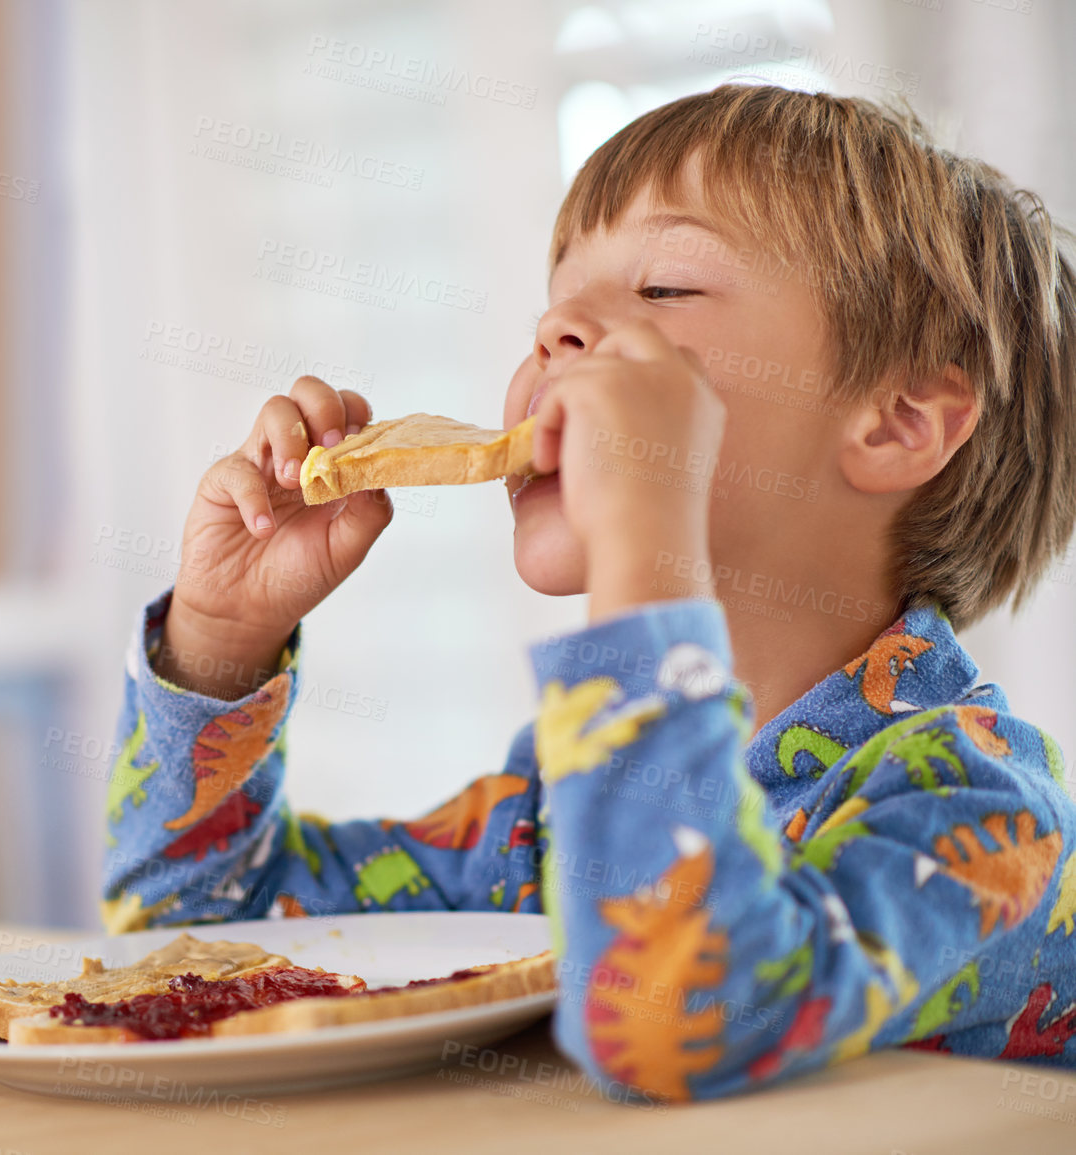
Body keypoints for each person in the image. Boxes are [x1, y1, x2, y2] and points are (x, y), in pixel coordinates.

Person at [100, 83, 1076, 1100]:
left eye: (664, 291)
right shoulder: (544, 819)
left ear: (898, 424)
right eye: (551, 309)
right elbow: (193, 946)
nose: (557, 330)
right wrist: (220, 643)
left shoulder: (984, 814)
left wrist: (647, 542)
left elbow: (678, 1025)